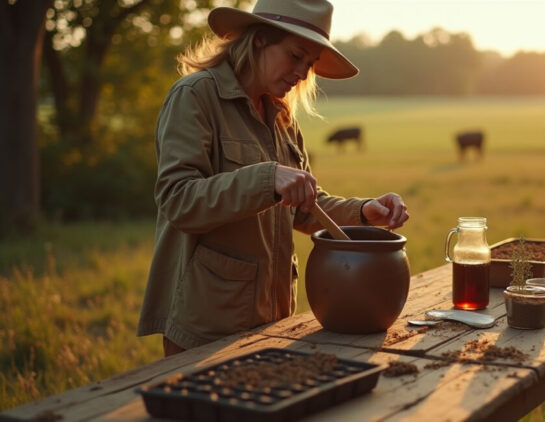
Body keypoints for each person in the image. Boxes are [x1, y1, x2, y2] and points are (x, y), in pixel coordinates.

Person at [136, 0, 409, 357]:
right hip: (207, 326)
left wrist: (363, 211)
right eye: (296, 55)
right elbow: (178, 201)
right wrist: (267, 179)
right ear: (259, 39)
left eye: (309, 64)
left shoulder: (282, 119)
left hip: (275, 320)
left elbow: (303, 207)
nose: (302, 73)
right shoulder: (195, 96)